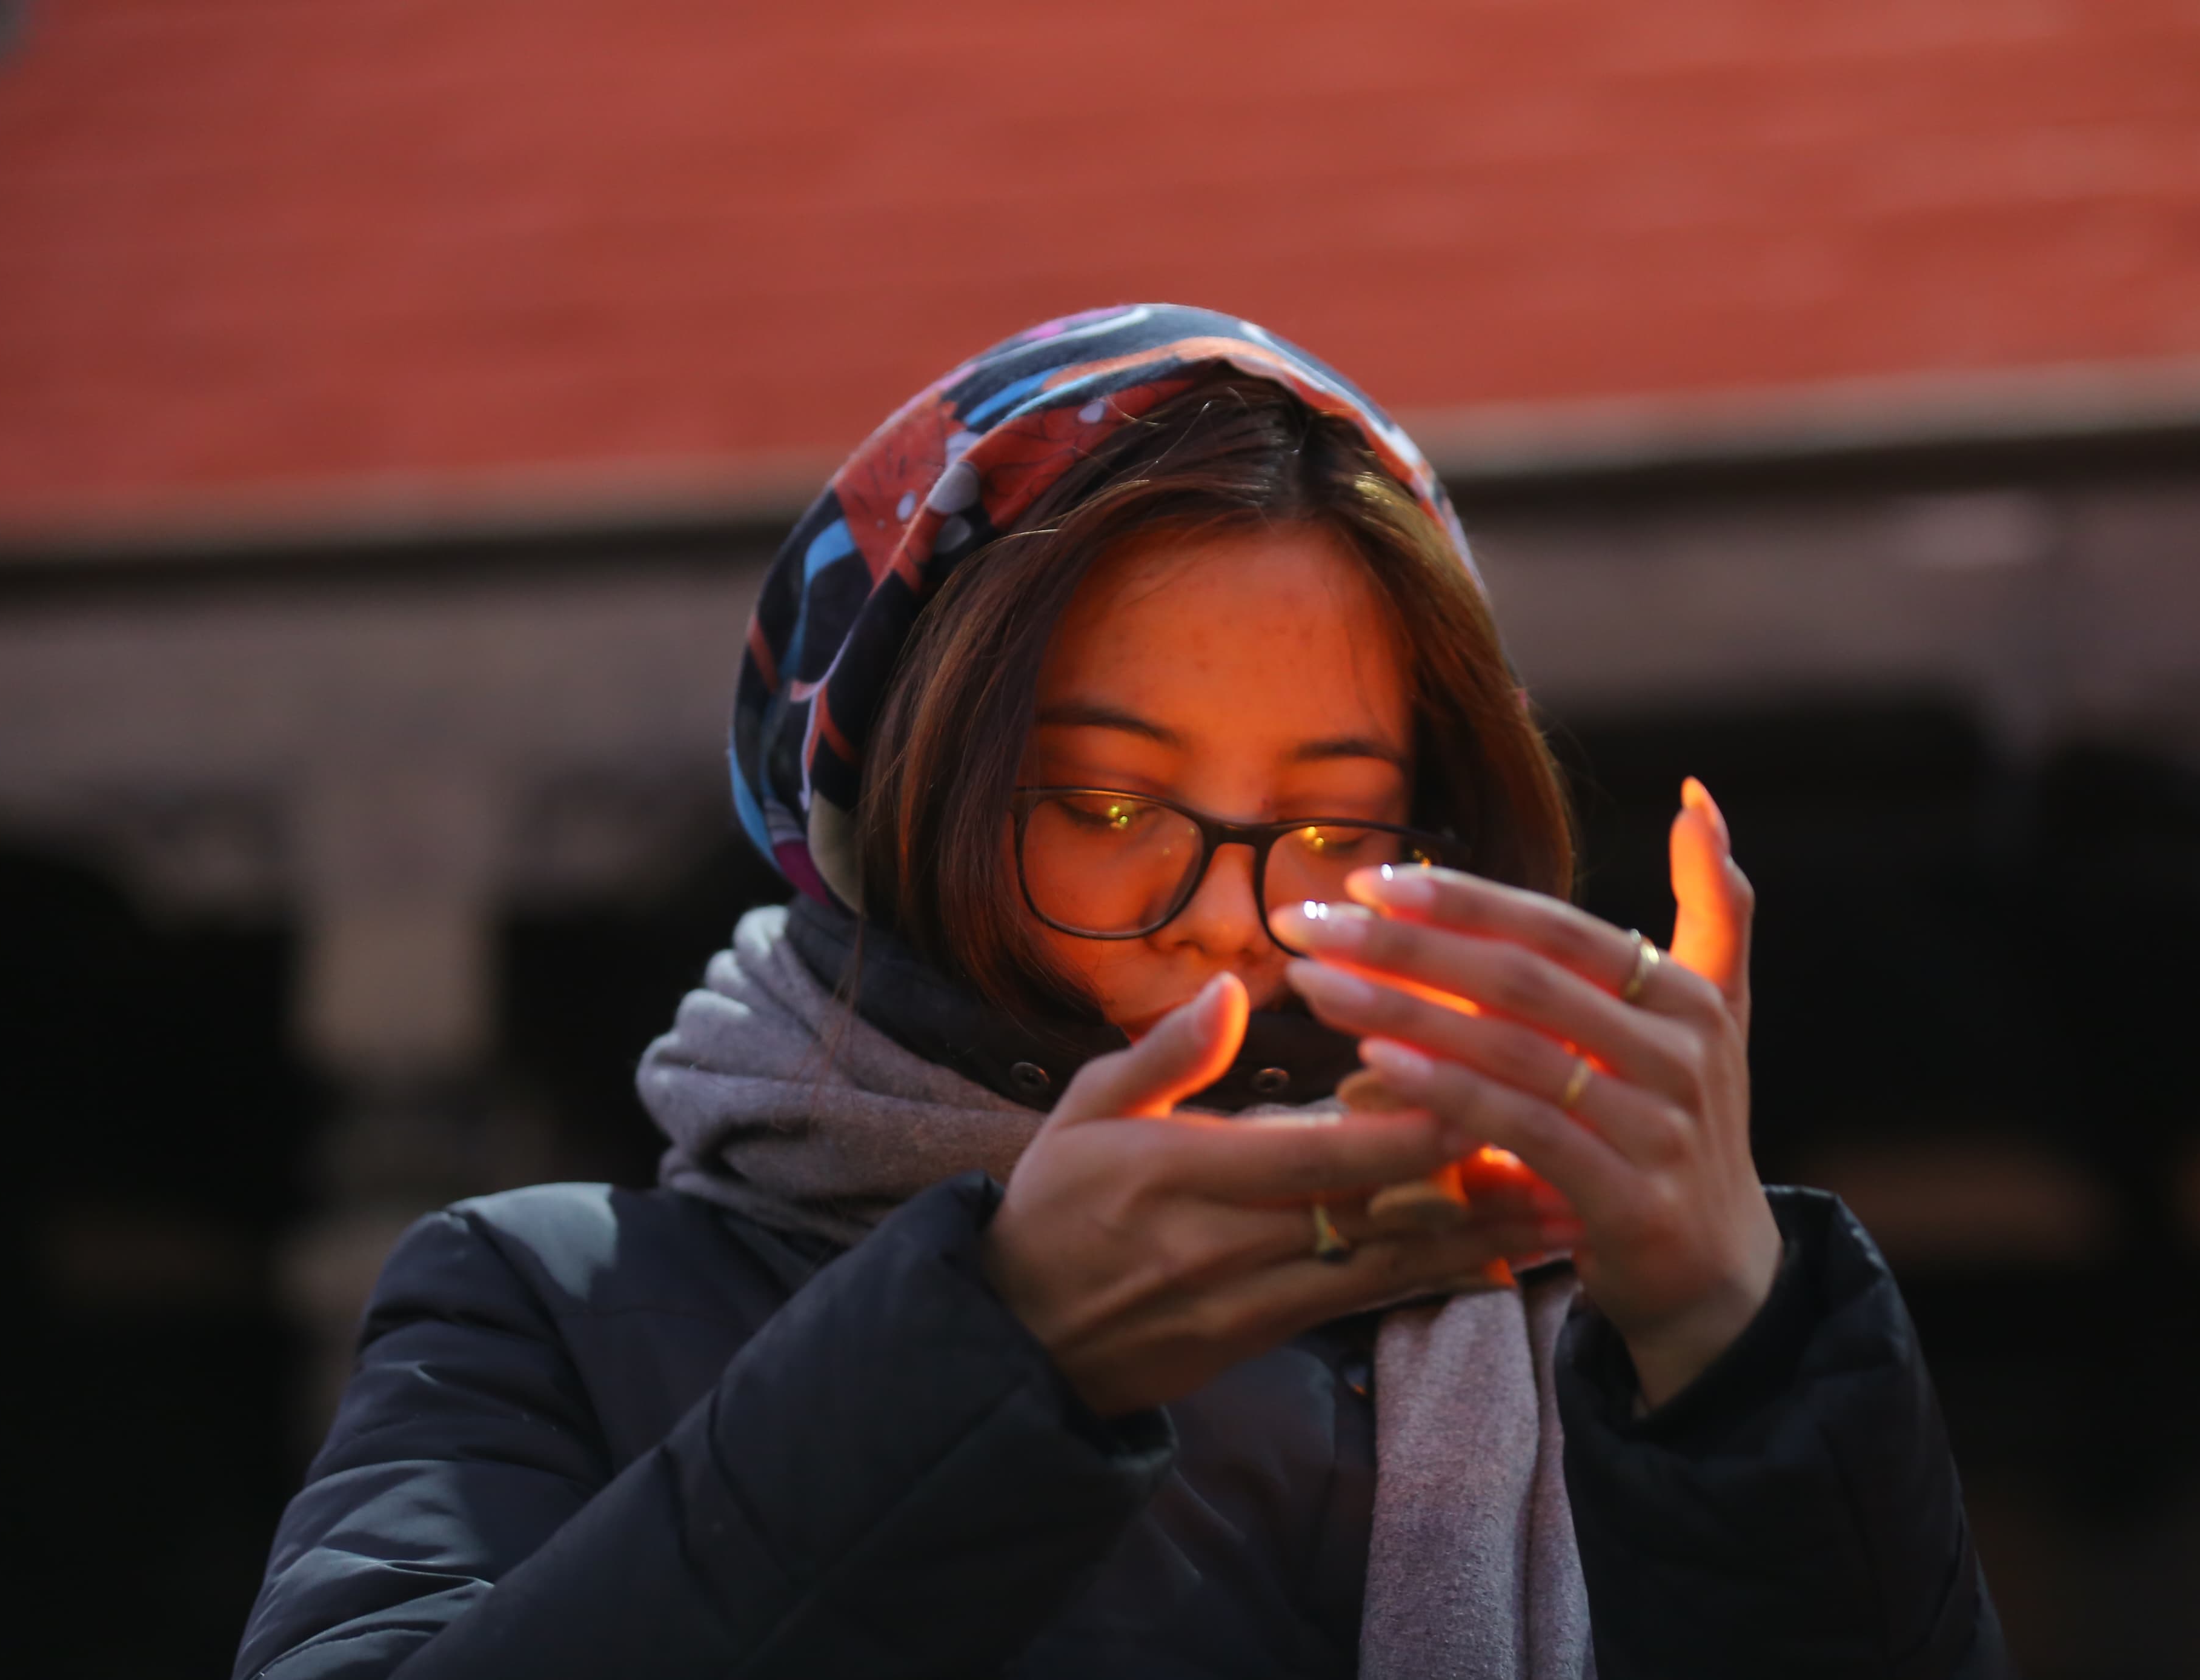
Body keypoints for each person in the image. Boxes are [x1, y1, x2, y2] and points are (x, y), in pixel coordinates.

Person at [236, 305, 2012, 1678]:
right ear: (894, 799)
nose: (1232, 926)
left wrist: (1742, 1352)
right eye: (1104, 805)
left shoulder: (1598, 1343)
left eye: (1333, 825)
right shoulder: (549, 1309)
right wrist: (993, 1353)